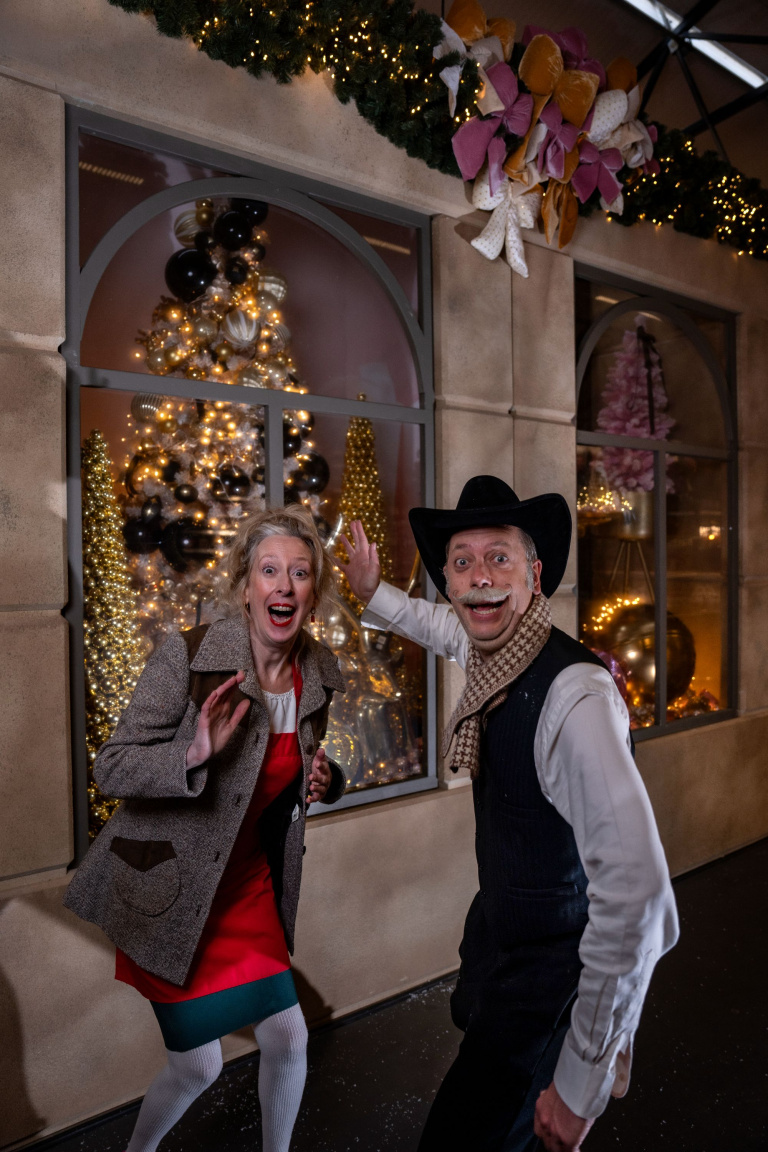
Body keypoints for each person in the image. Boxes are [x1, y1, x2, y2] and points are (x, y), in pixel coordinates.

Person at [339, 476, 679, 1152]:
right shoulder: (491, 649)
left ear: (535, 575)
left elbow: (639, 897)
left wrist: (581, 1083)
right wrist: (373, 593)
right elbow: (436, 626)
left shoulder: (576, 698)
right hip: (507, 954)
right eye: (462, 562)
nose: (480, 578)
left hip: (554, 977)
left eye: (499, 558)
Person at [64, 504, 346, 1152]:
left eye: (300, 573)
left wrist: (328, 779)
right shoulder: (188, 657)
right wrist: (190, 755)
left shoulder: (318, 675)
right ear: (245, 586)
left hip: (247, 885)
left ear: (313, 593)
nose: (283, 585)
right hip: (172, 888)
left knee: (289, 1037)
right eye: (269, 570)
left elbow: (301, 768)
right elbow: (112, 766)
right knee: (198, 1065)